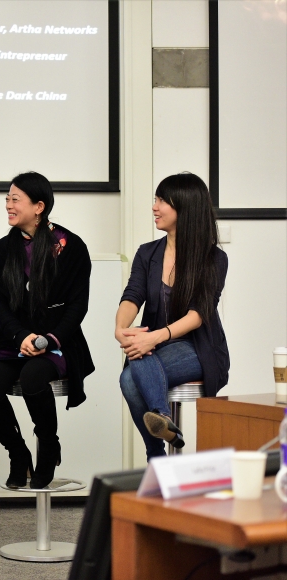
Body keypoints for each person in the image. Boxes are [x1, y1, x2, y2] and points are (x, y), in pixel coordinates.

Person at [0, 172, 94, 489]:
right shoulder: (3, 249)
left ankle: (48, 446)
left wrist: (48, 339)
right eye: (7, 199)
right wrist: (21, 336)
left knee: (33, 378)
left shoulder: (70, 247)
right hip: (13, 339)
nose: (8, 205)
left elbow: (77, 306)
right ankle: (18, 453)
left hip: (58, 340)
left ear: (39, 206)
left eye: (15, 199)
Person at [116, 172, 229, 460]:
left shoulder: (214, 258)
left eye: (162, 201)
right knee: (133, 367)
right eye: (155, 199)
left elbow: (199, 314)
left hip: (198, 348)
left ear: (185, 207)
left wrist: (153, 337)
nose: (154, 207)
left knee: (131, 376)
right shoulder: (147, 253)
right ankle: (164, 426)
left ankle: (156, 455)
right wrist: (121, 329)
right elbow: (132, 295)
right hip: (155, 346)